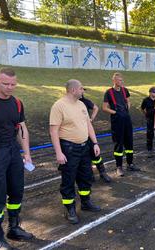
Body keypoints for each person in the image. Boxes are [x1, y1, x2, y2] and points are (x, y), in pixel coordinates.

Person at [0, 67, 33, 249]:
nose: (9, 87)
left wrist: (27, 153)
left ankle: (14, 227)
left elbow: (22, 129)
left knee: (16, 190)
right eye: (5, 83)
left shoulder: (17, 103)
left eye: (13, 84)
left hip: (14, 151)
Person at [49, 79, 101, 225]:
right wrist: (59, 153)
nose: (82, 91)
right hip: (68, 148)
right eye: (81, 89)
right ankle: (69, 209)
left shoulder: (81, 104)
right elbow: (53, 131)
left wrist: (95, 143)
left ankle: (85, 202)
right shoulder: (59, 106)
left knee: (86, 176)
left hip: (84, 147)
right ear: (73, 90)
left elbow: (88, 124)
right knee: (68, 179)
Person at [102, 72, 140, 177]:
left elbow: (128, 101)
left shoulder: (125, 90)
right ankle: (119, 167)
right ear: (114, 81)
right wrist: (115, 112)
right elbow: (104, 108)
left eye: (121, 80)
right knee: (118, 144)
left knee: (129, 142)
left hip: (127, 120)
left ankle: (130, 164)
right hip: (117, 121)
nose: (121, 82)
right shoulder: (108, 92)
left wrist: (127, 107)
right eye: (119, 80)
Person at [79, 95, 111, 183]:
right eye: (81, 89)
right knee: (84, 155)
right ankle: (90, 174)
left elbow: (95, 108)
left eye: (82, 90)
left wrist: (91, 119)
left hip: (88, 131)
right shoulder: (69, 103)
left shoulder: (85, 101)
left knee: (95, 152)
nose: (82, 92)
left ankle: (102, 172)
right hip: (77, 133)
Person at [141, 87, 155, 158]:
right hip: (150, 119)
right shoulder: (146, 100)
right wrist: (146, 114)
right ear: (150, 93)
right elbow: (142, 108)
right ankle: (149, 150)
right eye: (154, 92)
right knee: (150, 134)